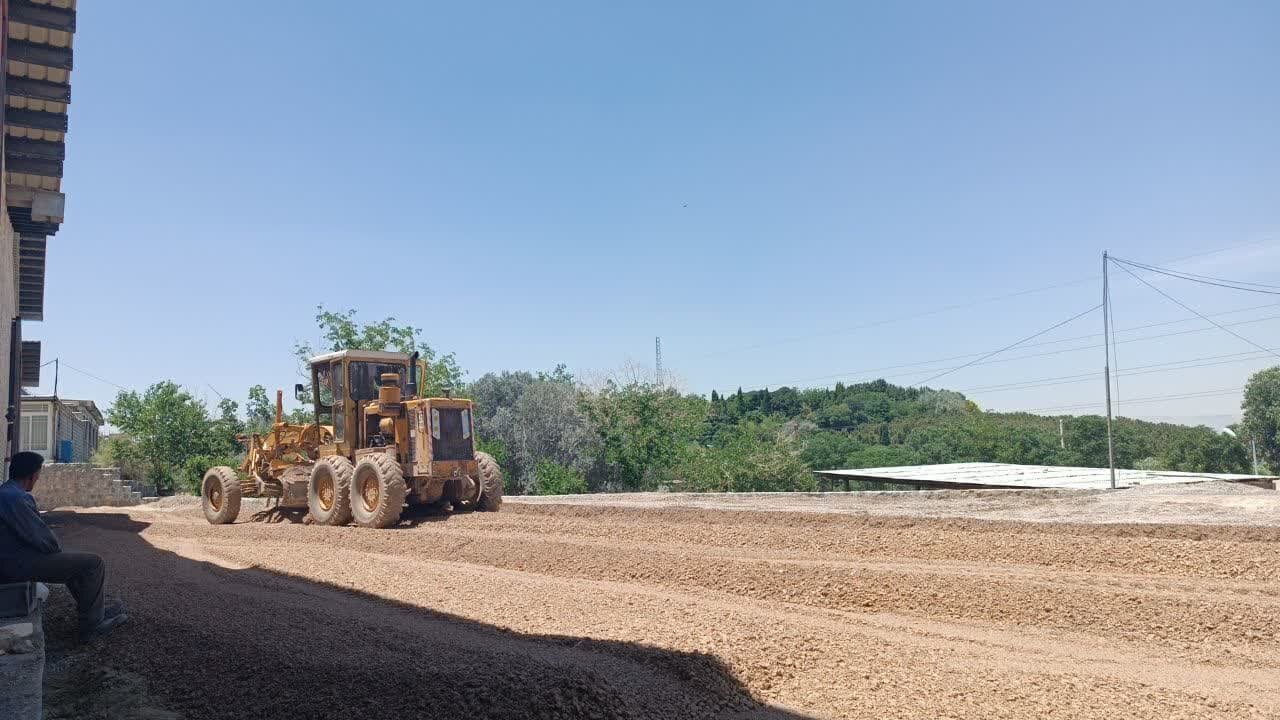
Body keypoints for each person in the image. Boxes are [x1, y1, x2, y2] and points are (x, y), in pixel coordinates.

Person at [0, 451, 127, 641]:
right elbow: (41, 537)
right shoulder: (16, 498)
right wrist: (56, 550)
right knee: (94, 563)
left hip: (11, 559)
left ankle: (95, 612)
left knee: (71, 564)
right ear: (33, 475)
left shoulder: (7, 492)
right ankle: (92, 625)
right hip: (15, 564)